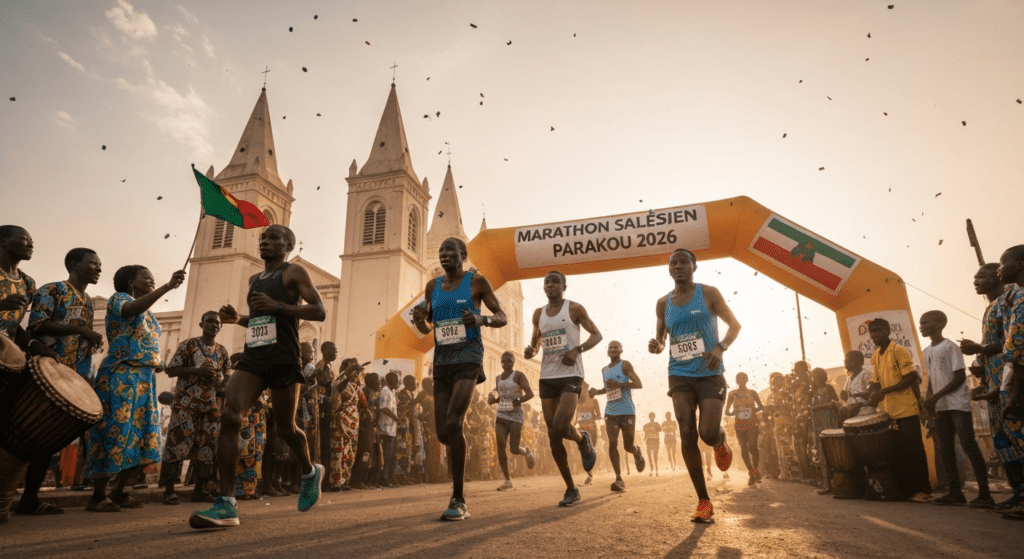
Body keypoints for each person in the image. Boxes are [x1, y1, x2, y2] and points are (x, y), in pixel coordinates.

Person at [190, 224, 327, 528]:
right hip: (254, 356)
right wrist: (237, 319)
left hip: (283, 358)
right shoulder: (254, 279)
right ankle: (226, 504)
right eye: (262, 238)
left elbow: (319, 311)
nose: (265, 242)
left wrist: (279, 305)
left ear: (288, 245)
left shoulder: (294, 273)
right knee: (230, 416)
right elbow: (262, 320)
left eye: (273, 238)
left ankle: (309, 471)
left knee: (287, 429)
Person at [412, 237, 507, 520]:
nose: (444, 255)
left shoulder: (477, 282)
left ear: (463, 255)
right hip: (442, 360)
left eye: (449, 251)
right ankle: (459, 466)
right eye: (440, 252)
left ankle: (458, 498)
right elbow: (428, 325)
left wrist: (481, 320)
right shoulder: (433, 286)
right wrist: (419, 320)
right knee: (444, 433)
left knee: (455, 421)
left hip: (469, 356)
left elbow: (501, 316)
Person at [648, 248, 740, 522]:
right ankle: (703, 500)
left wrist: (720, 348)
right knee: (686, 431)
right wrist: (658, 345)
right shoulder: (663, 303)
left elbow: (734, 325)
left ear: (694, 266)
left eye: (684, 262)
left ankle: (720, 441)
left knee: (706, 433)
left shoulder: (709, 293)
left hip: (709, 371)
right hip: (679, 374)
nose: (678, 266)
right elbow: (662, 338)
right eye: (673, 263)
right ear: (668, 269)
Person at [86, 264, 186, 512]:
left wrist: (156, 362)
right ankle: (98, 495)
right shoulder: (119, 300)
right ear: (131, 281)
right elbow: (131, 310)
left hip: (144, 379)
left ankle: (119, 491)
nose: (152, 280)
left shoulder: (150, 314)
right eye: (147, 278)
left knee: (144, 435)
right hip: (120, 375)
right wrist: (167, 286)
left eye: (153, 278)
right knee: (114, 432)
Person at [18, 247, 104, 515]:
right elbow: (37, 324)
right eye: (93, 264)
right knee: (31, 433)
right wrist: (80, 330)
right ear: (75, 264)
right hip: (48, 371)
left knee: (50, 437)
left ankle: (30, 498)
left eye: (100, 264)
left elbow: (81, 339)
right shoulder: (51, 289)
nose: (99, 268)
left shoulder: (88, 300)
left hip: (74, 375)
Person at [524, 270, 602, 507]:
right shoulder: (539, 314)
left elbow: (597, 335)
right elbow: (535, 342)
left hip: (571, 373)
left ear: (563, 286)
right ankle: (571, 488)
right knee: (552, 435)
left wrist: (576, 350)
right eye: (546, 282)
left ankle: (581, 439)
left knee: (560, 424)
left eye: (555, 282)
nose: (550, 286)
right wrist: (531, 351)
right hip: (547, 376)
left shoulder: (575, 309)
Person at [962, 262, 1024, 511]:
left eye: (981, 277)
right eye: (974, 277)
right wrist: (979, 362)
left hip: (1010, 379)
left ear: (998, 278)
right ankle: (1018, 492)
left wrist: (980, 350)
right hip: (994, 381)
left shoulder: (1009, 302)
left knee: (1018, 438)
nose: (976, 281)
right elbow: (992, 342)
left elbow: (1011, 344)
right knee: (1004, 443)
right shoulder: (989, 309)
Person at [918, 310, 993, 507]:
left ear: (939, 324)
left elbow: (960, 377)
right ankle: (954, 493)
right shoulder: (926, 352)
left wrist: (936, 396)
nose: (921, 326)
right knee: (945, 449)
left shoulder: (950, 347)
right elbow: (933, 380)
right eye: (921, 323)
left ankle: (985, 494)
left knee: (968, 445)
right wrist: (929, 400)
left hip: (958, 404)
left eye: (925, 323)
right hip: (941, 407)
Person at [160, 311, 229, 505]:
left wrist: (221, 379)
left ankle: (200, 491)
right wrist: (196, 371)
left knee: (206, 449)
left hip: (209, 407)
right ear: (201, 324)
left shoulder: (222, 351)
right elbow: (171, 369)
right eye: (209, 321)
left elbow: (227, 376)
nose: (214, 325)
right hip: (185, 405)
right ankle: (169, 491)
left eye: (217, 323)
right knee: (176, 446)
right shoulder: (188, 345)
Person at [865, 318, 931, 503]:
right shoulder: (876, 356)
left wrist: (883, 391)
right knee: (899, 453)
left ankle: (924, 491)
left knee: (914, 451)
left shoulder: (899, 351)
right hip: (889, 412)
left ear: (887, 331)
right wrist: (872, 392)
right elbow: (875, 381)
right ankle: (909, 490)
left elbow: (911, 377)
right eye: (871, 332)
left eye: (878, 331)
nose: (874, 335)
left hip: (907, 409)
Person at [587, 340, 644, 491]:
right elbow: (608, 389)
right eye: (610, 347)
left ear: (621, 350)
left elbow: (638, 384)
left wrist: (621, 384)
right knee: (612, 442)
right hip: (611, 411)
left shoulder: (625, 365)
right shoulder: (604, 370)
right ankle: (618, 478)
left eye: (615, 347)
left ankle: (637, 451)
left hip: (627, 411)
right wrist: (596, 392)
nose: (612, 349)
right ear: (607, 351)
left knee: (628, 446)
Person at [993, 246, 1024, 520]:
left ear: (1019, 265)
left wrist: (1013, 396)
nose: (998, 269)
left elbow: (1016, 354)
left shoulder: (1022, 300)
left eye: (1003, 263)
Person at [487, 351, 536, 491]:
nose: (506, 363)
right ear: (501, 362)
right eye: (503, 360)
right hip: (501, 415)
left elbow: (530, 393)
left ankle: (526, 452)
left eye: (509, 360)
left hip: (516, 416)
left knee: (514, 449)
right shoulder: (498, 378)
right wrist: (492, 400)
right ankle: (507, 480)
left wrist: (519, 400)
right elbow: (498, 396)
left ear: (514, 361)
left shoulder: (519, 375)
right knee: (500, 444)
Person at [327, 358, 364, 490]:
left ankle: (344, 481)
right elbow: (338, 391)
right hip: (341, 422)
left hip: (353, 424)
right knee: (338, 451)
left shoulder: (355, 386)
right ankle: (336, 482)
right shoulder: (338, 382)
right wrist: (347, 375)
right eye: (350, 368)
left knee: (349, 453)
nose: (353, 372)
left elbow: (362, 402)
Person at [725, 372, 765, 486]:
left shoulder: (752, 393)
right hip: (739, 425)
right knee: (743, 448)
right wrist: (733, 412)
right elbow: (726, 411)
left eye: (744, 378)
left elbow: (761, 406)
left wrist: (754, 410)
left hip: (752, 423)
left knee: (753, 446)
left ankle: (755, 469)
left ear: (747, 380)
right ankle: (751, 472)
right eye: (739, 378)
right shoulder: (732, 394)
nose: (742, 380)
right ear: (736, 381)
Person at [574, 380, 601, 485]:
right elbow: (575, 417)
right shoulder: (575, 401)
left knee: (591, 451)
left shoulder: (594, 401)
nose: (583, 390)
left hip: (592, 428)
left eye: (585, 388)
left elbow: (599, 415)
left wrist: (591, 417)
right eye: (581, 388)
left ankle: (590, 475)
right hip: (582, 430)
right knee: (584, 451)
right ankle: (590, 475)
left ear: (588, 388)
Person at [375, 372, 400, 488]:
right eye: (396, 381)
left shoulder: (392, 392)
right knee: (386, 455)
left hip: (391, 428)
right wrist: (396, 418)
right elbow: (383, 407)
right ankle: (383, 479)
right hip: (385, 428)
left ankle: (389, 478)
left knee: (391, 455)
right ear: (390, 381)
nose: (398, 383)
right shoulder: (385, 391)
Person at [839, 351, 873, 416]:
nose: (846, 366)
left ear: (857, 362)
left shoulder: (866, 374)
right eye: (845, 363)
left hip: (866, 411)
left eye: (848, 362)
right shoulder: (849, 379)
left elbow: (871, 393)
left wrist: (856, 395)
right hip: (853, 412)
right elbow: (847, 398)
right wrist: (844, 396)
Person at [642, 412, 662, 477]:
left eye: (653, 416)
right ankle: (651, 470)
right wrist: (645, 437)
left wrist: (654, 429)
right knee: (649, 457)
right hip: (649, 442)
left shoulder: (657, 424)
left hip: (656, 442)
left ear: (654, 417)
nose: (652, 417)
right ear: (649, 417)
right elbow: (645, 431)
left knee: (655, 457)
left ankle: (656, 471)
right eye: (651, 416)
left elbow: (660, 430)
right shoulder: (646, 425)